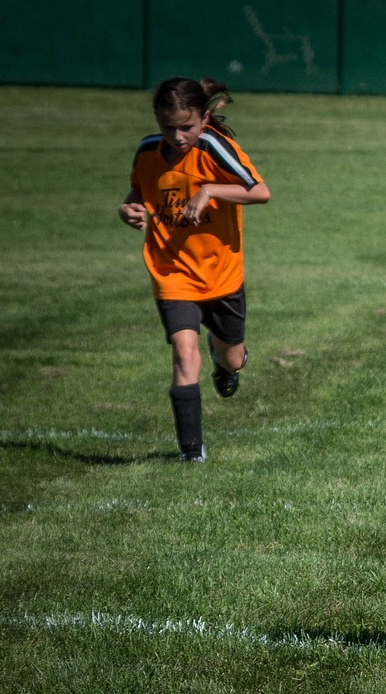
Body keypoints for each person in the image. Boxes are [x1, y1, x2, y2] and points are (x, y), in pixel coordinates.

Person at [118, 77, 270, 461]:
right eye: (168, 126)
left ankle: (226, 362)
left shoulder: (215, 148)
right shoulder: (148, 151)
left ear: (203, 119)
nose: (177, 136)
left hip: (220, 273)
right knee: (184, 356)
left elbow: (259, 191)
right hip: (171, 271)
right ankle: (191, 454)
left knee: (233, 357)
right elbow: (140, 190)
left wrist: (211, 190)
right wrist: (128, 207)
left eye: (186, 127)